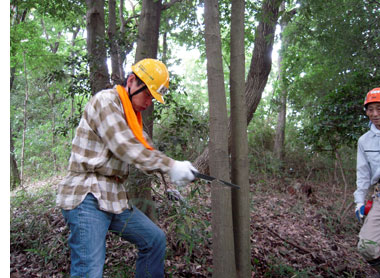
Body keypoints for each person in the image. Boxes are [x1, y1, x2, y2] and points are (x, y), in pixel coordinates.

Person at [57, 58, 198, 278]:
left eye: (153, 97)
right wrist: (171, 166)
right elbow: (125, 147)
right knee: (89, 272)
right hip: (88, 195)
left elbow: (145, 150)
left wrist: (177, 171)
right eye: (148, 94)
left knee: (154, 240)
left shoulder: (132, 117)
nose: (149, 101)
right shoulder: (106, 102)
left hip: (114, 198)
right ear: (132, 81)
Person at [354, 87, 380, 274]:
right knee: (367, 246)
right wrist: (359, 201)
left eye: (379, 108)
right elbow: (363, 173)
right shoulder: (365, 141)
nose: (375, 114)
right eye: (370, 109)